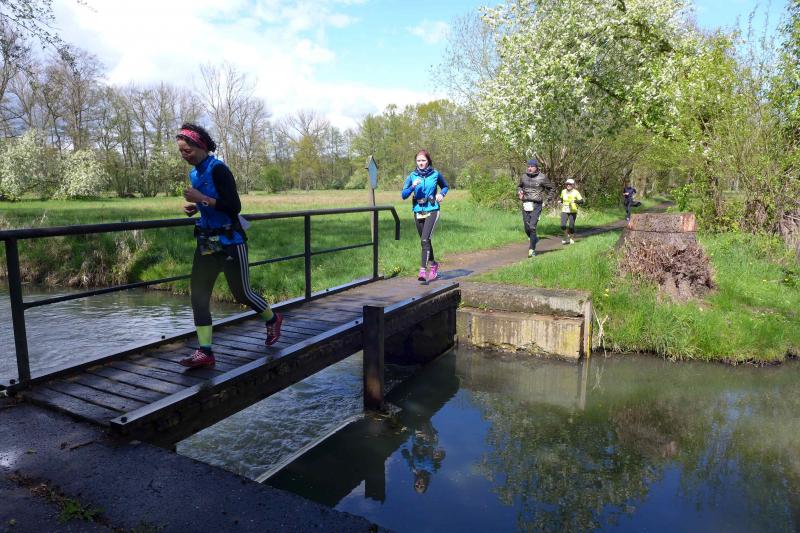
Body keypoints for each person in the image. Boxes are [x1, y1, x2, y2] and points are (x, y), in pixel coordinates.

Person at [175, 123, 282, 368]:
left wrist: (202, 199)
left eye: (187, 151)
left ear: (201, 147)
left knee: (241, 293)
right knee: (199, 296)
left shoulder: (219, 170)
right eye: (180, 151)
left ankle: (273, 319)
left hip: (231, 241)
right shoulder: (194, 174)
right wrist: (197, 207)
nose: (184, 155)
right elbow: (211, 203)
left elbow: (234, 207)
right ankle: (205, 352)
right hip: (208, 241)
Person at [401, 150, 449, 282]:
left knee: (424, 240)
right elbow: (403, 195)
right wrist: (412, 187)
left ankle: (422, 271)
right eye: (418, 161)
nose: (421, 163)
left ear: (428, 161)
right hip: (418, 211)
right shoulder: (412, 176)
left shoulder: (435, 174)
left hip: (432, 209)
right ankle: (433, 265)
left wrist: (441, 194)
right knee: (425, 241)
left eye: (423, 160)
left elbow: (445, 186)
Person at [517, 159, 554, 258]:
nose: (530, 168)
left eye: (532, 166)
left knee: (532, 227)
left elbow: (551, 189)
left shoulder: (542, 177)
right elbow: (519, 186)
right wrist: (519, 192)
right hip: (526, 203)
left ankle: (531, 250)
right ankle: (535, 239)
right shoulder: (524, 176)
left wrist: (547, 201)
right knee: (527, 228)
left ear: (536, 167)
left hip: (536, 204)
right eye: (528, 166)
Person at [559, 178, 585, 244]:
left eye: (570, 184)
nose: (568, 185)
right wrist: (560, 201)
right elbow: (561, 199)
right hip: (564, 210)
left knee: (571, 226)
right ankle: (566, 236)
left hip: (573, 211)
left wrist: (575, 201)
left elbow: (582, 201)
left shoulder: (576, 192)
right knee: (562, 225)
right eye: (567, 184)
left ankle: (571, 238)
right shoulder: (563, 191)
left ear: (573, 185)